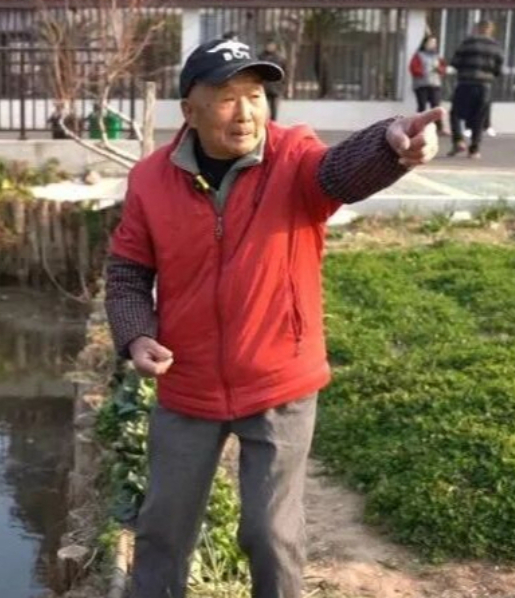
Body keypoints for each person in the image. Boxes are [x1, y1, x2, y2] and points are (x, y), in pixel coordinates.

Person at [105, 37, 443, 598]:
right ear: (189, 110)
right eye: (226, 97)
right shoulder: (150, 179)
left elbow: (339, 171)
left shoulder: (293, 157)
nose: (245, 112)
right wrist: (136, 335)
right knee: (162, 528)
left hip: (278, 378)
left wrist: (391, 145)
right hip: (186, 380)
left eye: (256, 95)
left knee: (270, 533)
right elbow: (127, 272)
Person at [448, 20, 503, 159]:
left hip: (466, 83)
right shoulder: (495, 46)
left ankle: (458, 141)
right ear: (491, 30)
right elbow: (498, 69)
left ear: (477, 28)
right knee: (479, 117)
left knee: (455, 113)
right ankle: (474, 149)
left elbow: (455, 62)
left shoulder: (468, 42)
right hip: (484, 86)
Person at [409, 34, 447, 135]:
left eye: (434, 43)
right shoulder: (418, 55)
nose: (432, 44)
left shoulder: (437, 56)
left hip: (435, 84)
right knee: (422, 107)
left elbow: (443, 67)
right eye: (430, 42)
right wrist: (421, 72)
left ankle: (440, 128)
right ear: (424, 43)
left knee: (436, 106)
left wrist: (439, 70)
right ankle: (418, 128)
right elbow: (413, 67)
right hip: (421, 84)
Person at [258, 40, 287, 121]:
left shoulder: (280, 58)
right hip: (263, 85)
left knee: (274, 107)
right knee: (262, 106)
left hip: (275, 86)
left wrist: (283, 85)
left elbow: (284, 72)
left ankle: (273, 122)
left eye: (271, 45)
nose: (270, 47)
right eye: (268, 45)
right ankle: (262, 121)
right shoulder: (260, 57)